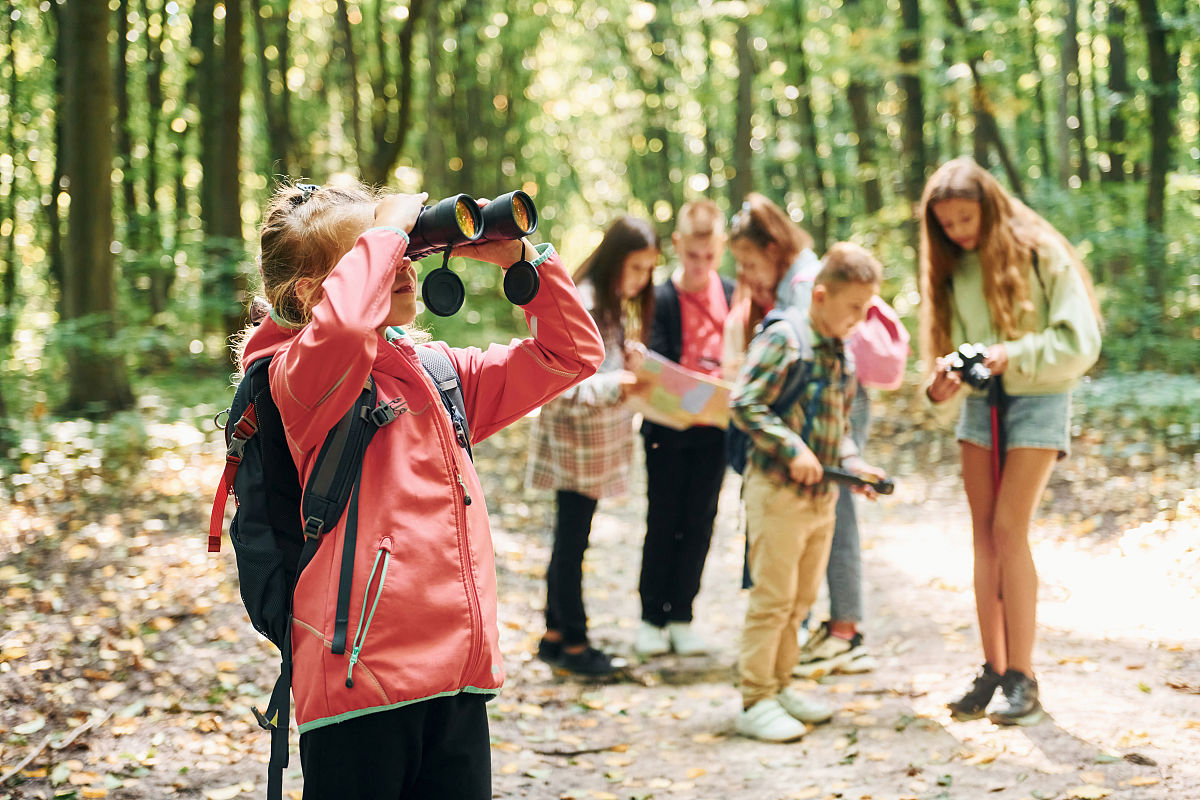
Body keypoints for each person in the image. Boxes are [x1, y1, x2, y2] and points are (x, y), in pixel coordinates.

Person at [235, 180, 605, 798]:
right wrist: (386, 227)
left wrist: (524, 263)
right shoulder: (294, 379)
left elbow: (570, 353)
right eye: (375, 253)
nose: (400, 260)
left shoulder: (434, 375)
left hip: (456, 676)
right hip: (357, 678)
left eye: (404, 248)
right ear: (309, 293)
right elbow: (346, 330)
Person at [919, 157, 1101, 726]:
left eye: (966, 218)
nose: (958, 231)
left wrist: (1009, 355)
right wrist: (943, 380)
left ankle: (1023, 676)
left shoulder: (1039, 250)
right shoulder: (951, 265)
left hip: (1040, 398)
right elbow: (947, 352)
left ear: (990, 205)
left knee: (1007, 528)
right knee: (982, 536)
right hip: (980, 406)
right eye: (947, 224)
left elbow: (1080, 341)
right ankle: (993, 669)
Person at [725, 194, 900, 677]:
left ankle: (783, 686)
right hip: (779, 489)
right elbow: (744, 401)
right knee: (774, 600)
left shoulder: (840, 350)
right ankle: (759, 694)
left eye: (867, 308)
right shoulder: (787, 334)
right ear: (820, 298)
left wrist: (854, 464)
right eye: (854, 308)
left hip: (818, 494)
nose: (862, 321)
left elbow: (839, 425)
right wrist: (792, 447)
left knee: (799, 601)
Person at [527, 215, 658, 677]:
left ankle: (555, 635)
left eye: (648, 271)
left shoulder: (609, 302)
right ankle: (577, 647)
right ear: (615, 259)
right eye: (637, 268)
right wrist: (616, 385)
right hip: (573, 444)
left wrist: (628, 360)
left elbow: (599, 362)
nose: (642, 280)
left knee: (570, 538)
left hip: (592, 445)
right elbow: (559, 382)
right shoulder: (580, 299)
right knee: (571, 543)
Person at [634, 200, 734, 658]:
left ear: (721, 250)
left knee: (700, 522)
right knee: (664, 519)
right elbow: (653, 363)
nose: (700, 265)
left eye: (709, 257)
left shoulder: (733, 296)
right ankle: (651, 616)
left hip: (714, 430)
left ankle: (682, 615)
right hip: (667, 430)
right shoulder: (660, 297)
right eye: (693, 256)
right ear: (677, 246)